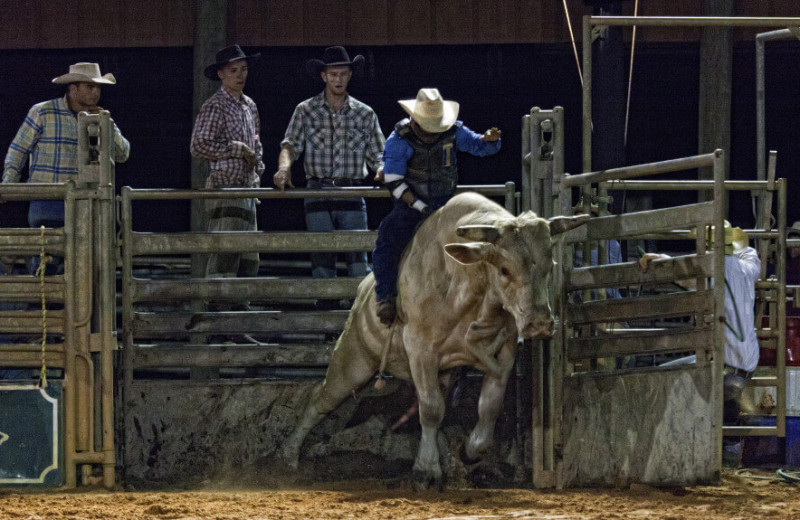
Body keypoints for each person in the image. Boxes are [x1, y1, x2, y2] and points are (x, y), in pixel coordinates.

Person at [372, 88, 502, 325]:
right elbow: (394, 181)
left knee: (481, 239)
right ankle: (386, 297)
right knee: (388, 240)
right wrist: (420, 206)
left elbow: (477, 146)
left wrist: (490, 141)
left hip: (446, 203)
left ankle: (490, 299)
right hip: (410, 205)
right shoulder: (400, 139)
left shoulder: (454, 131)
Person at [639, 223, 760, 466]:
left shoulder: (707, 274)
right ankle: (728, 458)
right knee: (726, 407)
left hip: (722, 368)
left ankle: (674, 458)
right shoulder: (748, 268)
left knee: (662, 378)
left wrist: (658, 258)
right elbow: (751, 253)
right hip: (746, 367)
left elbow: (678, 270)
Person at [274, 46, 385, 302]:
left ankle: (358, 322)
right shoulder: (306, 110)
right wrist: (284, 166)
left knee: (358, 260)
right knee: (322, 261)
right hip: (317, 191)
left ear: (349, 76)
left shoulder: (365, 114)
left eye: (343, 74)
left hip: (351, 191)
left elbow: (379, 154)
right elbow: (290, 145)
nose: (338, 79)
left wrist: (382, 170)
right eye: (333, 74)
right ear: (323, 76)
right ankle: (326, 322)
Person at [3, 62, 130, 275]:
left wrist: (105, 127)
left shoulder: (101, 117)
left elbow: (123, 153)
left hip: (85, 202)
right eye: (89, 87)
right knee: (47, 260)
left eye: (98, 87)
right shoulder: (43, 112)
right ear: (73, 88)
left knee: (84, 265)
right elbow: (19, 149)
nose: (96, 92)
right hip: (48, 198)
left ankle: (73, 308)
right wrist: (9, 186)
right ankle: (44, 306)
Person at [190, 44, 264, 344]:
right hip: (226, 188)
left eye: (243, 70)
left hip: (247, 189)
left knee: (248, 258)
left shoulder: (249, 105)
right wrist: (237, 149)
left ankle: (237, 322)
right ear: (221, 74)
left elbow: (257, 144)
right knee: (225, 254)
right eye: (234, 71)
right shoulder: (215, 105)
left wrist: (257, 164)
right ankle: (218, 321)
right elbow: (198, 145)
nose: (240, 75)